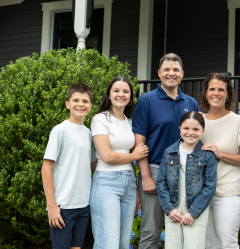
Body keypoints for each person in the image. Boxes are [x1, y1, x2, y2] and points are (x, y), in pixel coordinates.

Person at [132, 53, 200, 249]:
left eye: (176, 70)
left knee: (180, 230)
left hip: (184, 173)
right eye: (167, 70)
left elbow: (196, 138)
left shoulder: (190, 103)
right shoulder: (147, 100)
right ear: (159, 73)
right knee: (150, 231)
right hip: (154, 170)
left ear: (182, 74)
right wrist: (145, 176)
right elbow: (139, 142)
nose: (171, 73)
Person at [90, 76, 149, 249]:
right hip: (106, 183)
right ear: (109, 95)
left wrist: (136, 191)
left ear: (131, 97)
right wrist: (135, 155)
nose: (120, 94)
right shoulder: (100, 119)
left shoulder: (130, 123)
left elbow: (127, 157)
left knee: (123, 243)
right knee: (107, 243)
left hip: (129, 184)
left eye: (125, 91)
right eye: (116, 91)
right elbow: (107, 156)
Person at [41, 83, 97, 249]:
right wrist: (52, 206)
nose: (80, 104)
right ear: (67, 104)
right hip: (63, 206)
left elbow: (93, 164)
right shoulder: (60, 130)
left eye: (85, 101)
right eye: (76, 100)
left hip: (83, 205)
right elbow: (46, 168)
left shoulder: (88, 133)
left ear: (91, 106)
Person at [199, 73, 240, 249]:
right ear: (206, 93)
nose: (216, 93)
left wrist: (220, 154)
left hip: (227, 195)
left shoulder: (239, 122)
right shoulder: (198, 122)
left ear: (228, 94)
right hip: (201, 195)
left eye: (221, 89)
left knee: (227, 244)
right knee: (207, 245)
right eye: (212, 89)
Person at [156, 111, 217, 249]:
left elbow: (210, 186)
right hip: (173, 211)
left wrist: (193, 212)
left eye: (196, 129)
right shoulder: (169, 152)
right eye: (186, 128)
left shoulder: (207, 155)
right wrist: (169, 209)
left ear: (203, 131)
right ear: (180, 129)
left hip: (196, 212)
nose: (190, 133)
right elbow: (161, 182)